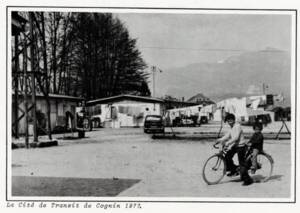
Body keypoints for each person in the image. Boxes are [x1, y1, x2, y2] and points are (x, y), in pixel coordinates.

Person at [215, 113, 253, 186]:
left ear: (234, 120)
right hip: (235, 145)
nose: (229, 122)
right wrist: (219, 140)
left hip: (241, 146)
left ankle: (248, 180)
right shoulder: (231, 127)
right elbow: (227, 135)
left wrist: (228, 143)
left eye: (231, 120)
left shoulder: (237, 126)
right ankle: (234, 170)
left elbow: (236, 137)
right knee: (227, 157)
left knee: (242, 163)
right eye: (228, 121)